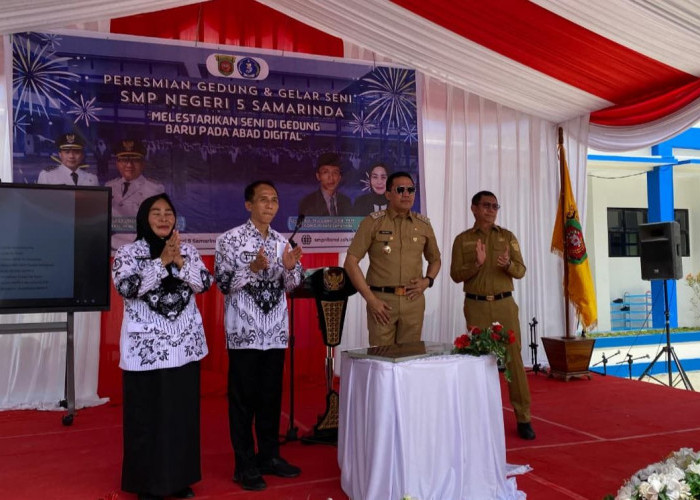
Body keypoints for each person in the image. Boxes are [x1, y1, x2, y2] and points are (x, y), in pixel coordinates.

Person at [112, 193, 212, 500]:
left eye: (168, 212)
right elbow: (126, 288)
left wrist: (179, 261)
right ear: (144, 218)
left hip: (184, 348)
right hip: (147, 351)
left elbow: (205, 283)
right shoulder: (128, 252)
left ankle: (179, 480)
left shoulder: (188, 250)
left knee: (180, 417)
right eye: (156, 213)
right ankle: (147, 484)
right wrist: (161, 263)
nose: (163, 218)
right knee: (147, 418)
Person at [215, 180, 304, 492]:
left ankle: (269, 457)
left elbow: (293, 285)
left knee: (270, 399)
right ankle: (244, 464)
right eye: (263, 199)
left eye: (274, 200)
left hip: (275, 333)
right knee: (243, 402)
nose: (270, 205)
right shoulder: (229, 240)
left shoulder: (282, 242)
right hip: (244, 333)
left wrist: (290, 268)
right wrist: (251, 268)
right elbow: (222, 283)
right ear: (248, 204)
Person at [450, 190, 535, 440]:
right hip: (476, 305)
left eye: (495, 206)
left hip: (504, 305)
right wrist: (476, 264)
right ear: (474, 208)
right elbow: (455, 275)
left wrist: (507, 265)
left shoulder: (507, 237)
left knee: (513, 360)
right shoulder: (462, 240)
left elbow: (521, 270)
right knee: (477, 361)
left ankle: (523, 417)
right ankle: (479, 417)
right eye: (486, 205)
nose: (491, 210)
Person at [344, 171, 441, 346]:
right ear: (388, 194)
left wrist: (428, 281)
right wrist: (371, 300)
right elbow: (350, 262)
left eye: (411, 190)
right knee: (382, 357)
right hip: (382, 302)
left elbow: (435, 260)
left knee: (410, 357)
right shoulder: (373, 222)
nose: (406, 194)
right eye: (400, 189)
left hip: (413, 302)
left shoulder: (423, 225)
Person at [106, 139, 165, 218]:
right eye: (124, 160)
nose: (129, 165)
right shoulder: (109, 186)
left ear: (143, 164)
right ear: (117, 164)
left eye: (135, 160)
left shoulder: (155, 189)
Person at [298, 152, 352, 216]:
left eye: (335, 172)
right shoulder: (307, 203)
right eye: (325, 172)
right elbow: (302, 222)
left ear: (339, 177)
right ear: (318, 176)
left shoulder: (346, 201)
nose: (331, 177)